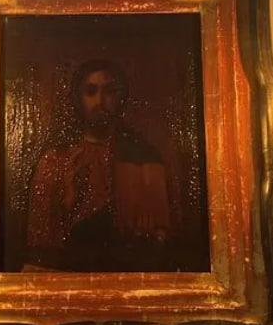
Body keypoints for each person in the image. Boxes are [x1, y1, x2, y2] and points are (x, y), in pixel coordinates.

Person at [24, 59, 175, 272]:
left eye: (109, 91)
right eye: (91, 91)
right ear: (78, 98)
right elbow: (42, 242)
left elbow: (159, 238)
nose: (100, 101)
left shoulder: (144, 157)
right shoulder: (56, 159)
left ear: (121, 98)